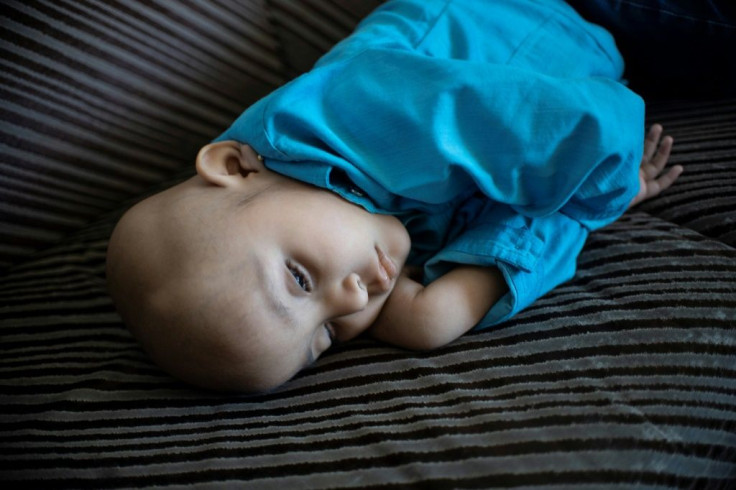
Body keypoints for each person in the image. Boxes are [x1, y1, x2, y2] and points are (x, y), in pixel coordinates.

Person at [106, 0, 683, 393]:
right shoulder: (356, 218)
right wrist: (441, 309)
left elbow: (593, 131)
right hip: (607, 49)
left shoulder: (350, 115)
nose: (355, 302)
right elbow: (529, 212)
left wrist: (599, 194)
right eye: (325, 338)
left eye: (301, 281)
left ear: (235, 167)